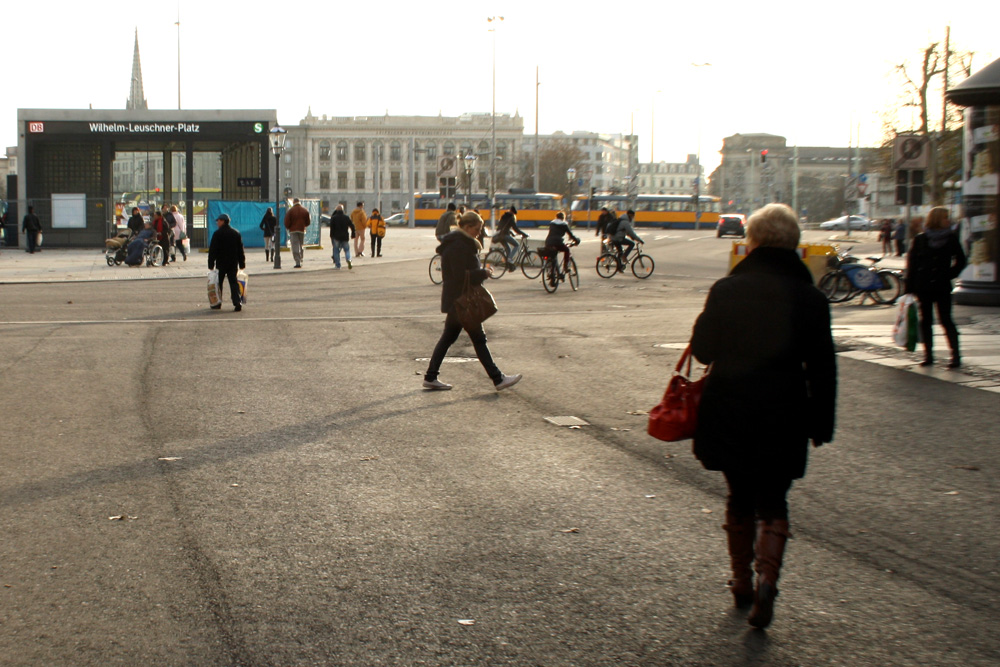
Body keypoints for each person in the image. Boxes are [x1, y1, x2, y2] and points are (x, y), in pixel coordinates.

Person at [689, 202, 837, 630]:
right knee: (774, 497)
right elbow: (823, 366)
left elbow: (703, 350)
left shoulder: (727, 289)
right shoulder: (810, 297)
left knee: (738, 495)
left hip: (731, 405)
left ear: (751, 242)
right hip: (786, 408)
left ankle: (740, 581)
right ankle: (768, 578)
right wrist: (821, 421)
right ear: (793, 244)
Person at [423, 211, 522, 392]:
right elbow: (460, 275)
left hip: (457, 299)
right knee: (478, 339)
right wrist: (483, 273)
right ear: (467, 227)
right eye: (477, 229)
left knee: (449, 338)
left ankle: (431, 376)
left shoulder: (457, 243)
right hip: (462, 299)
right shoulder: (458, 245)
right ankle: (497, 378)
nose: (479, 232)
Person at [906, 206, 967, 368]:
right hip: (923, 286)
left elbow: (961, 260)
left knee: (946, 320)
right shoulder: (920, 239)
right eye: (946, 217)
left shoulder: (951, 238)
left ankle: (955, 355)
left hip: (942, 286)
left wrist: (949, 274)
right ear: (937, 219)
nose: (949, 220)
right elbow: (912, 264)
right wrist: (909, 288)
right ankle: (928, 355)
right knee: (925, 320)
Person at [208, 213, 247, 311]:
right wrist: (242, 263)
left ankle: (217, 303)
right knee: (233, 283)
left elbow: (213, 250)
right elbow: (240, 250)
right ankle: (237, 302)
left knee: (218, 283)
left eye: (218, 221)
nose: (217, 223)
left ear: (223, 221)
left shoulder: (217, 234)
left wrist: (211, 264)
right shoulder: (236, 233)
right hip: (233, 263)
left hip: (221, 263)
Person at [284, 198, 311, 268]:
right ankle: (301, 257)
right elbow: (308, 222)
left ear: (293, 202)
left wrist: (289, 227)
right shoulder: (305, 210)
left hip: (293, 230)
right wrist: (304, 225)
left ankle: (297, 261)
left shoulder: (290, 211)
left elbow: (287, 222)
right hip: (302, 230)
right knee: (301, 245)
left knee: (295, 245)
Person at [328, 204, 355, 269]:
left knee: (336, 251)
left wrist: (331, 236)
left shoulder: (334, 218)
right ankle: (349, 259)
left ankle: (338, 265)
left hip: (336, 237)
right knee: (347, 250)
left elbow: (332, 228)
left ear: (336, 210)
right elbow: (352, 226)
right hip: (345, 236)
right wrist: (353, 234)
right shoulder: (346, 217)